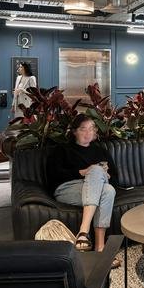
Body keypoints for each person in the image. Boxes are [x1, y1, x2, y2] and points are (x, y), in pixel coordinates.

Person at [47, 114, 120, 266]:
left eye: (91, 129)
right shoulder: (62, 150)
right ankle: (91, 237)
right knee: (97, 174)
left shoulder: (101, 151)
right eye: (83, 129)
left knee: (108, 190)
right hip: (67, 189)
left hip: (96, 188)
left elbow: (115, 179)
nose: (88, 133)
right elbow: (54, 174)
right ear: (74, 131)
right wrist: (83, 172)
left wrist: (105, 174)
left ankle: (91, 241)